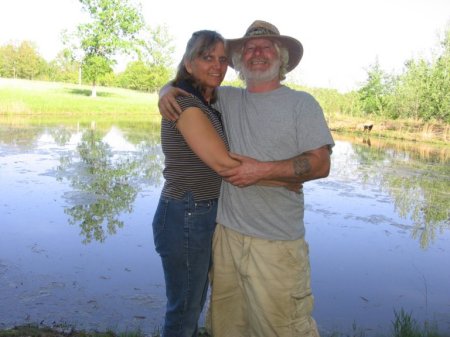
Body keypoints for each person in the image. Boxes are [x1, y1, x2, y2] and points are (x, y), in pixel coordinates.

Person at [159, 20, 334, 337]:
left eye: (267, 47)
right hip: (224, 235)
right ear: (239, 62)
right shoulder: (224, 98)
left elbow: (321, 164)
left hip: (276, 241)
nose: (257, 53)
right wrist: (166, 89)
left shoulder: (302, 104)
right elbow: (186, 90)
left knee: (284, 328)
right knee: (226, 326)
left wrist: (264, 171)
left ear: (281, 58)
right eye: (249, 48)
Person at [151, 30, 238, 337]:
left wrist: (165, 88)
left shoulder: (204, 100)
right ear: (189, 63)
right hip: (185, 213)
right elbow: (223, 164)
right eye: (207, 57)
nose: (217, 65)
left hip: (198, 213)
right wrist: (284, 174)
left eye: (223, 59)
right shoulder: (187, 106)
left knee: (191, 303)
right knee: (184, 311)